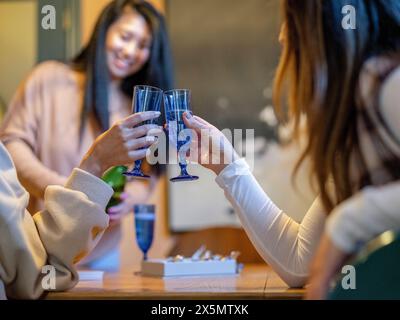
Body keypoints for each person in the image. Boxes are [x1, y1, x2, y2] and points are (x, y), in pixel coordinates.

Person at [183, 0, 400, 299]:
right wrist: (227, 165)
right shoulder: (353, 129)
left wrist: (348, 222)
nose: (282, 35)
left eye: (292, 18)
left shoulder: (388, 84)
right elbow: (300, 263)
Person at [0, 0, 173, 268]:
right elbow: (12, 143)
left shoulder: (137, 106)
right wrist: (65, 192)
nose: (130, 50)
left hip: (103, 252)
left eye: (142, 45)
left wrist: (134, 197)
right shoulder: (48, 79)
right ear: (104, 31)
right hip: (44, 243)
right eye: (125, 36)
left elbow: (148, 171)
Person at [0, 111, 161, 299]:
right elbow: (41, 276)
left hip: (90, 244)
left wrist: (132, 196)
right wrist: (80, 181)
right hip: (61, 239)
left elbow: (150, 173)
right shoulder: (43, 86)